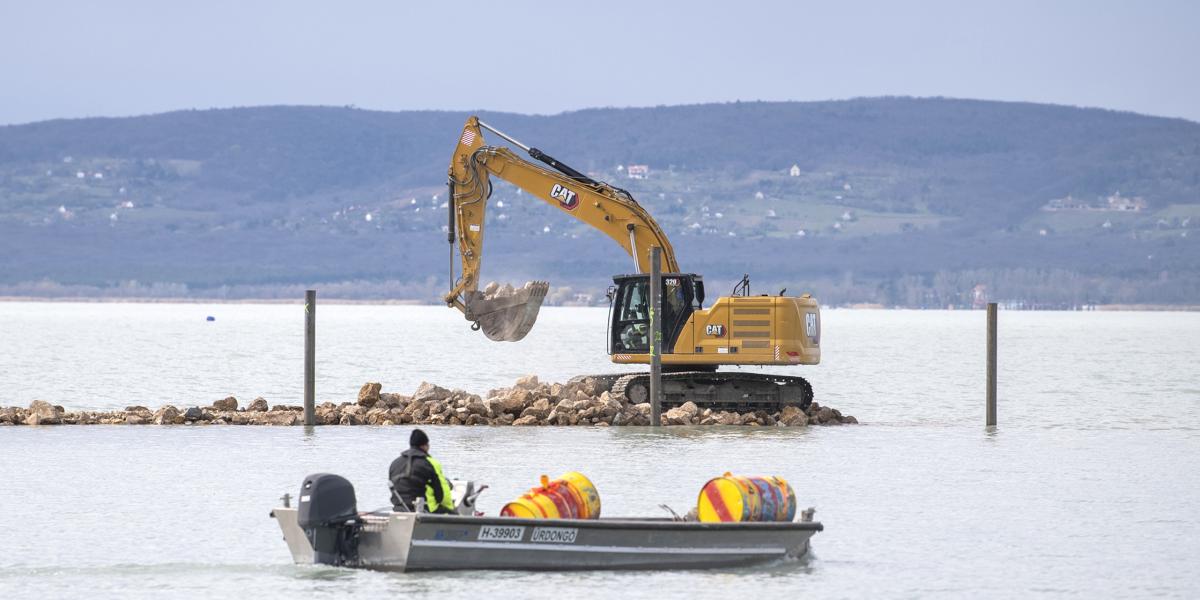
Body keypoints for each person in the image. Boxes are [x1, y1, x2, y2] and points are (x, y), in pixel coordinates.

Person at [389, 429, 454, 513]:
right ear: (425, 446)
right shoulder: (428, 463)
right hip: (420, 511)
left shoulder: (395, 463)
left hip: (398, 510)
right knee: (452, 513)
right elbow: (440, 496)